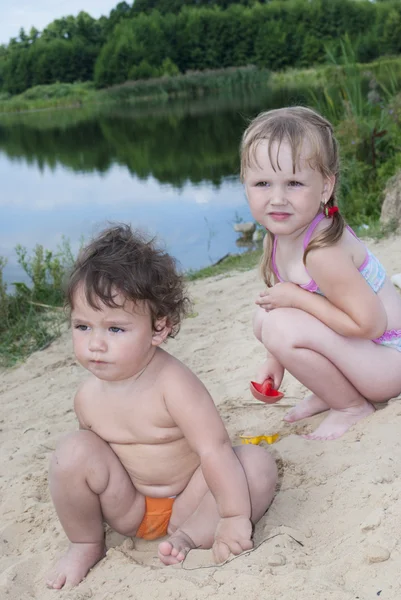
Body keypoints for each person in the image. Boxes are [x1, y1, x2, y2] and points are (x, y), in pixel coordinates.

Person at [46, 225, 278, 590]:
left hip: (193, 499)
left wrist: (233, 515)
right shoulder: (86, 397)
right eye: (82, 326)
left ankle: (189, 537)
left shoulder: (174, 385)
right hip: (131, 508)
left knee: (256, 464)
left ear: (159, 329)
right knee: (71, 453)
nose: (95, 345)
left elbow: (213, 450)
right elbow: (97, 465)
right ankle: (86, 542)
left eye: (115, 329)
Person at [240, 106, 401, 441]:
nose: (277, 198)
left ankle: (351, 406)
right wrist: (274, 361)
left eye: (294, 183)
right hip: (363, 355)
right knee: (265, 316)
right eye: (262, 183)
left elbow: (370, 324)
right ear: (244, 185)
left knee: (280, 322)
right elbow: (292, 309)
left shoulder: (322, 251)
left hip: (388, 356)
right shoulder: (278, 237)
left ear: (325, 187)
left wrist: (297, 298)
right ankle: (334, 393)